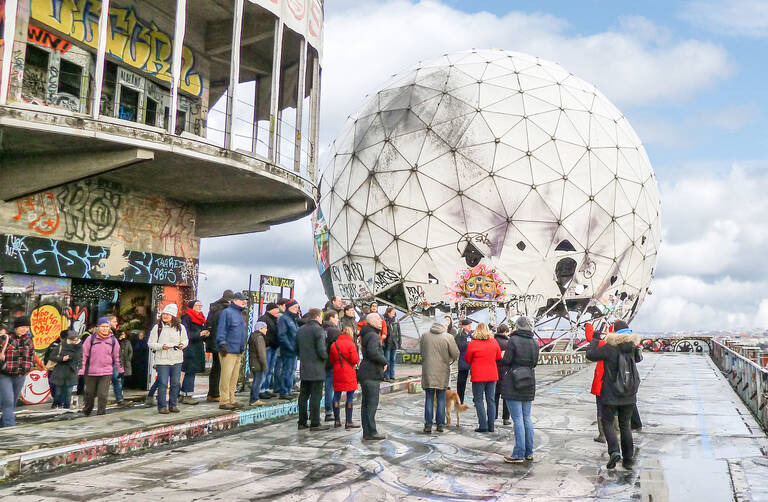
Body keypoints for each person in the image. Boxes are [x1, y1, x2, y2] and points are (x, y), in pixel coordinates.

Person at [586, 320, 642, 470]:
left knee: (608, 423)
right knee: (625, 426)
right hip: (629, 393)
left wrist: (595, 340)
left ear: (615, 332)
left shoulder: (610, 347)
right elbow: (638, 358)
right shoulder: (633, 346)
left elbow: (590, 355)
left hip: (610, 393)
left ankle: (614, 451)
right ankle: (628, 458)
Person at [500, 316, 540, 463]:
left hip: (514, 380)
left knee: (517, 419)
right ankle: (529, 452)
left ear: (518, 326)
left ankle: (518, 453)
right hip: (529, 379)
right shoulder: (534, 342)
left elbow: (507, 360)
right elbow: (535, 362)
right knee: (526, 417)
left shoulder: (513, 341)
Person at [420, 322, 459, 433]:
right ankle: (440, 424)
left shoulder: (425, 335)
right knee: (441, 397)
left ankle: (428, 424)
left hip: (428, 370)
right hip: (442, 370)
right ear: (444, 327)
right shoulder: (448, 337)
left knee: (429, 397)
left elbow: (422, 352)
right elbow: (456, 354)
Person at [148, 304, 188, 414]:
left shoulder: (180, 327)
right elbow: (151, 343)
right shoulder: (157, 328)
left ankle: (173, 404)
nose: (165, 316)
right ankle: (162, 406)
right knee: (163, 383)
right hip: (162, 360)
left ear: (173, 316)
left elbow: (185, 340)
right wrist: (161, 346)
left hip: (176, 359)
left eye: (168, 314)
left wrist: (182, 344)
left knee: (175, 383)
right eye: (164, 314)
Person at [296, 308, 330, 431]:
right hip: (317, 367)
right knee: (316, 395)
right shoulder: (319, 330)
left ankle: (302, 421)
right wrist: (326, 357)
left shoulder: (301, 329)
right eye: (321, 317)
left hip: (304, 366)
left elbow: (296, 348)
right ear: (317, 317)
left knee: (303, 395)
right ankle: (315, 422)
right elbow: (321, 350)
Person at [80, 317, 123, 416]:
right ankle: (87, 410)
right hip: (91, 371)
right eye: (102, 326)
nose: (104, 329)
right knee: (90, 394)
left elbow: (118, 356)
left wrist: (120, 370)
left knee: (102, 395)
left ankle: (101, 413)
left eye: (107, 327)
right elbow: (83, 355)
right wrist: (81, 370)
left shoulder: (113, 340)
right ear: (98, 327)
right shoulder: (90, 339)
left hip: (106, 372)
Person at [465, 323, 501, 433]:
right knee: (491, 400)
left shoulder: (472, 344)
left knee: (479, 400)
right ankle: (491, 425)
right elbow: (498, 357)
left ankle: (483, 425)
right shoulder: (494, 342)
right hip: (492, 374)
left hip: (478, 375)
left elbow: (467, 359)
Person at [358, 312, 388, 441]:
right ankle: (371, 431)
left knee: (366, 404)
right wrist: (384, 361)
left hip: (366, 372)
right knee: (371, 404)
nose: (380, 320)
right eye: (377, 318)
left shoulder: (367, 333)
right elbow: (373, 352)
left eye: (380, 318)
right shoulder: (373, 335)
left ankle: (367, 431)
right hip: (371, 373)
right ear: (370, 321)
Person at [216, 292, 249, 410]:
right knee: (226, 376)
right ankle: (224, 400)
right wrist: (222, 344)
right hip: (228, 350)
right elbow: (221, 329)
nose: (244, 302)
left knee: (234, 377)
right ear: (234, 300)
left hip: (238, 350)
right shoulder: (227, 312)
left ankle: (232, 399)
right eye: (241, 300)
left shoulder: (240, 314)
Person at [0, 318, 35, 426]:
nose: (25, 329)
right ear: (16, 327)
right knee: (8, 401)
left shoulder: (29, 341)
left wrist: (29, 366)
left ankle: (3, 423)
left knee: (12, 402)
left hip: (20, 375)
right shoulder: (5, 338)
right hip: (5, 375)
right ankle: (10, 427)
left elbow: (32, 356)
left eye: (27, 327)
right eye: (22, 327)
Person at [329, 326, 360, 429]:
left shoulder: (334, 344)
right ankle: (348, 421)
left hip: (337, 371)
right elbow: (355, 360)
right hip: (349, 371)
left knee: (336, 395)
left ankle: (337, 420)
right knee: (350, 396)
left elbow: (332, 359)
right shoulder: (351, 344)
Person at [205, 290, 233, 402]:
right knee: (220, 369)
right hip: (221, 342)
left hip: (213, 341)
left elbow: (209, 324)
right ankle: (215, 394)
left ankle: (212, 393)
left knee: (215, 368)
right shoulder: (226, 309)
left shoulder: (214, 307)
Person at [180, 300, 209, 405]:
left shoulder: (200, 318)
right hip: (190, 348)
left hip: (197, 347)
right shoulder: (187, 317)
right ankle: (187, 395)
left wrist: (205, 334)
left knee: (191, 371)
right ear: (192, 307)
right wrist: (199, 334)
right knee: (190, 371)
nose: (200, 307)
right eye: (198, 305)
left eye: (201, 305)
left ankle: (184, 394)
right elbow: (185, 333)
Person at [585, 320, 608, 442]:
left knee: (600, 407)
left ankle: (602, 435)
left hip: (601, 381)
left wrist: (588, 325)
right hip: (615, 383)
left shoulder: (601, 344)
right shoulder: (616, 344)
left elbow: (590, 340)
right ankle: (616, 432)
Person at [49, 330, 83, 409]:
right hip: (60, 372)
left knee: (68, 392)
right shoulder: (60, 346)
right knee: (58, 392)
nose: (74, 342)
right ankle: (56, 404)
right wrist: (62, 358)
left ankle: (66, 408)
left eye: (75, 340)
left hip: (72, 372)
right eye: (72, 340)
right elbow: (51, 356)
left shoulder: (80, 347)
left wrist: (79, 368)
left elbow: (82, 359)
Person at [276, 299, 301, 400]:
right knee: (286, 370)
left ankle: (288, 389)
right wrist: (289, 347)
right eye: (295, 307)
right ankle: (284, 391)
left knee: (292, 371)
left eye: (297, 307)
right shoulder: (284, 319)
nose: (297, 309)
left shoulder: (293, 319)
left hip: (294, 348)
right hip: (287, 349)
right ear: (289, 307)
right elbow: (282, 335)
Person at [258, 302, 280, 398]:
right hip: (267, 347)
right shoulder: (263, 319)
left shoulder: (275, 320)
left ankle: (266, 388)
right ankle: (261, 390)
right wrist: (270, 342)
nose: (277, 311)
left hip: (274, 347)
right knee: (264, 369)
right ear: (270, 309)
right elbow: (261, 334)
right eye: (276, 309)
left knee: (270, 369)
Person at [322, 310, 341, 422]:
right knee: (330, 387)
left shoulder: (321, 329)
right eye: (336, 317)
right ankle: (329, 411)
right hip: (331, 362)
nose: (338, 319)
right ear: (331, 318)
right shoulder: (334, 331)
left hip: (320, 361)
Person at [493, 324, 511, 426]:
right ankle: (505, 418)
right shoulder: (508, 343)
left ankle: (493, 416)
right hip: (505, 372)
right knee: (505, 397)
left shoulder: (493, 342)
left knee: (494, 396)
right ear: (505, 332)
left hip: (494, 371)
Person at [248, 321, 268, 407]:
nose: (266, 330)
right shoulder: (259, 338)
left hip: (254, 362)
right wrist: (264, 364)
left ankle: (254, 398)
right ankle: (254, 399)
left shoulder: (253, 336)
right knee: (257, 381)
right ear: (260, 329)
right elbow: (261, 353)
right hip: (258, 363)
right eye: (265, 328)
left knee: (256, 380)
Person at [455, 319, 473, 403]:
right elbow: (460, 346)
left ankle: (476, 400)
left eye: (470, 325)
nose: (470, 327)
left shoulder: (473, 334)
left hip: (473, 361)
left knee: (476, 383)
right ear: (463, 326)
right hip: (463, 361)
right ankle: (460, 400)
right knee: (461, 383)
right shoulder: (459, 335)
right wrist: (469, 343)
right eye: (468, 325)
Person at [382, 307, 401, 382]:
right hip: (387, 343)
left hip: (394, 342)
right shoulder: (385, 320)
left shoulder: (396, 320)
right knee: (387, 360)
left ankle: (392, 375)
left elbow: (399, 332)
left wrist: (399, 341)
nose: (394, 313)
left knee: (393, 359)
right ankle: (386, 375)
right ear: (388, 312)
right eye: (392, 312)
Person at [116, 330, 133, 406]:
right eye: (121, 334)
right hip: (118, 362)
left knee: (123, 377)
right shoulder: (116, 341)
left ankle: (120, 393)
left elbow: (130, 351)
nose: (123, 335)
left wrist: (129, 359)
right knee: (118, 379)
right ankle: (119, 394)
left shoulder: (127, 342)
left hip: (125, 362)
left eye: (124, 334)